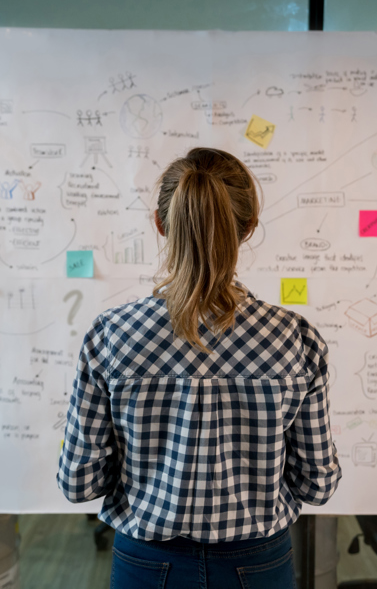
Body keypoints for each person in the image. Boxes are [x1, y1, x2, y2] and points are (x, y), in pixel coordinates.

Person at [58, 147, 341, 589]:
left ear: (160, 224)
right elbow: (317, 485)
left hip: (148, 563)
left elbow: (79, 481)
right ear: (247, 228)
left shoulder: (111, 334)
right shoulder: (294, 337)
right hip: (258, 564)